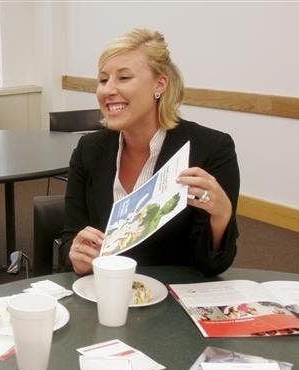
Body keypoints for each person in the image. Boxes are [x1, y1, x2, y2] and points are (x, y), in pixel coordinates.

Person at [60, 28, 240, 276]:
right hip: (105, 295)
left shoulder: (211, 149)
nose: (108, 90)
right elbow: (70, 239)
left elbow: (211, 266)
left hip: (173, 298)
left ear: (160, 84)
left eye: (123, 78)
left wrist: (221, 216)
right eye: (103, 80)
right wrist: (76, 255)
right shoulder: (88, 150)